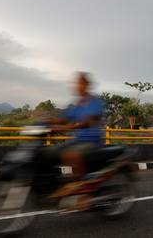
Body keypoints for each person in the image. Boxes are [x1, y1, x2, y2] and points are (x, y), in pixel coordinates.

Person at [50, 72, 104, 210]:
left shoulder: (94, 101)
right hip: (77, 141)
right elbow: (63, 118)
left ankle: (85, 194)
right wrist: (46, 122)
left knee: (72, 155)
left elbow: (90, 120)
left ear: (87, 85)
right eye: (76, 83)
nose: (78, 86)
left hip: (92, 142)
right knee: (50, 153)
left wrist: (70, 126)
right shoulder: (76, 104)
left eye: (81, 83)